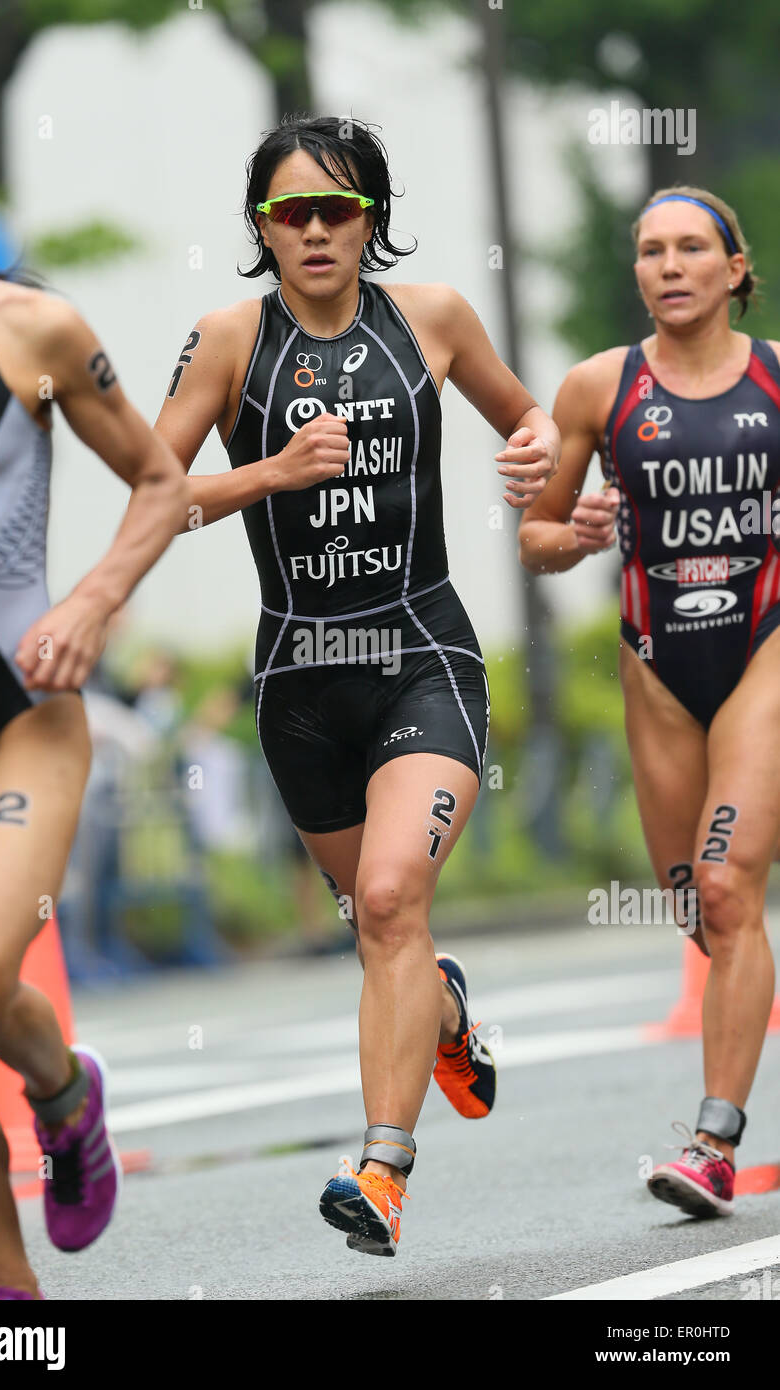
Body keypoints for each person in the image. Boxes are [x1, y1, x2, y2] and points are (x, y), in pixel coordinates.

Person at [155, 115, 559, 1254]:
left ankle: (380, 1170)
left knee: (386, 901)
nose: (317, 230)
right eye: (292, 211)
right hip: (297, 684)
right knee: (381, 928)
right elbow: (157, 495)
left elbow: (528, 420)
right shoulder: (229, 341)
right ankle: (443, 1011)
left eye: (340, 209)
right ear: (260, 227)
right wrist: (271, 472)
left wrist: (533, 454)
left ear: (372, 219)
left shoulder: (429, 318)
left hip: (421, 657)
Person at [0, 96, 188, 1297]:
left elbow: (162, 477)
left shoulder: (30, 330)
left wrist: (88, 606)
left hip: (18, 714)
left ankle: (65, 1092)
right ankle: (11, 1300)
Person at [519, 185, 779, 1218]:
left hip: (763, 647)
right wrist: (568, 534)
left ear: (731, 268)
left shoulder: (774, 380)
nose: (666, 267)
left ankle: (712, 1142)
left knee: (725, 886)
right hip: (656, 668)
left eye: (688, 249)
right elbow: (535, 534)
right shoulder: (596, 388)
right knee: (693, 906)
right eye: (647, 250)